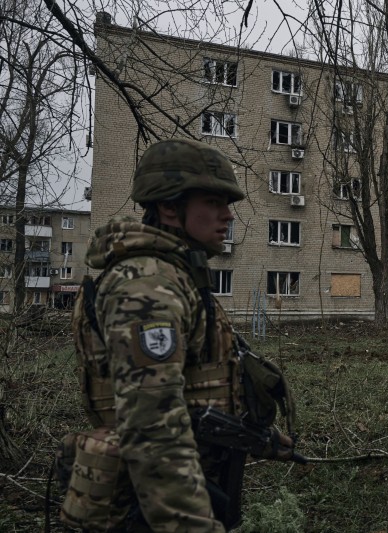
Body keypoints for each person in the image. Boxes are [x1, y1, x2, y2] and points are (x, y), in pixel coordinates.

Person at [63, 139, 295, 531]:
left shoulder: (175, 274)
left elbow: (195, 386)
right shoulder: (148, 286)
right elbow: (152, 427)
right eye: (213, 203)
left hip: (184, 486)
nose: (227, 216)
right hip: (150, 505)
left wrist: (258, 435)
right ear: (170, 207)